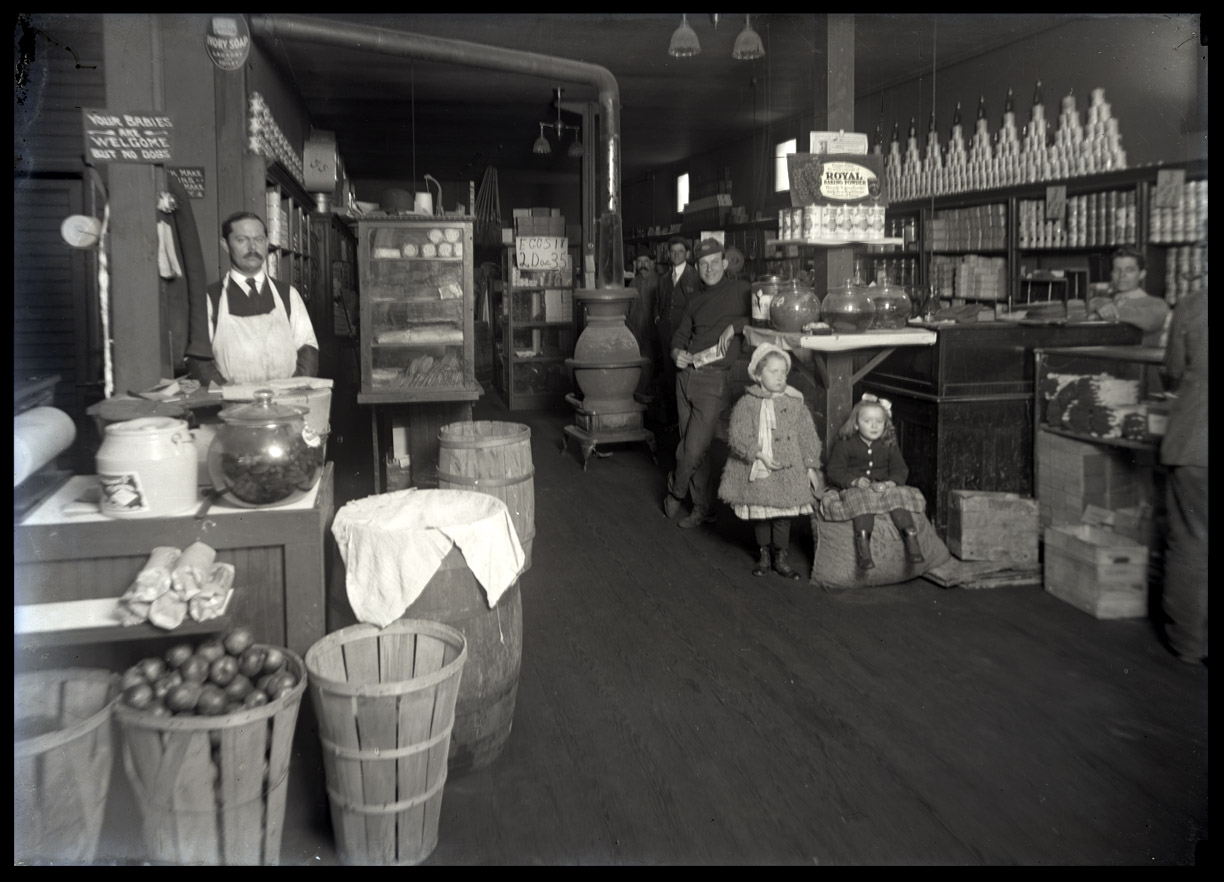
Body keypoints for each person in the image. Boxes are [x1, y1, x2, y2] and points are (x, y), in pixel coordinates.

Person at [663, 238, 751, 528]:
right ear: (695, 267)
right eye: (703, 264)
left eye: (715, 262)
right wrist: (676, 353)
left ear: (725, 263)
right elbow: (678, 336)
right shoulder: (694, 301)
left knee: (691, 448)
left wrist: (735, 326)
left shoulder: (741, 291)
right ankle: (703, 507)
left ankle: (675, 491)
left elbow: (764, 315)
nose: (709, 268)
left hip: (712, 381)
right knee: (691, 445)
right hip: (685, 377)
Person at [718, 343, 823, 579]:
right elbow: (737, 436)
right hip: (759, 466)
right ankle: (763, 554)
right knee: (762, 515)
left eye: (783, 372)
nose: (779, 377)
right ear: (757, 374)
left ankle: (781, 557)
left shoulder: (794, 404)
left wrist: (810, 466)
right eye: (772, 372)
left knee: (783, 515)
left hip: (789, 468)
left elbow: (807, 436)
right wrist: (757, 453)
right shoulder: (747, 404)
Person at [186, 211, 319, 386]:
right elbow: (199, 359)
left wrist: (292, 390)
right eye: (242, 240)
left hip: (286, 403)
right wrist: (229, 393)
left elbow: (308, 347)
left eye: (259, 239)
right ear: (225, 244)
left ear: (266, 243)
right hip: (232, 406)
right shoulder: (211, 298)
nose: (252, 248)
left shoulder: (288, 294)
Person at [823, 394, 927, 570]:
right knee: (861, 500)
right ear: (856, 424)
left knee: (898, 496)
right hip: (856, 489)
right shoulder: (845, 443)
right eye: (868, 421)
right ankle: (864, 549)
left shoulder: (888, 444)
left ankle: (912, 541)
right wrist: (853, 481)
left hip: (882, 487)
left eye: (879, 421)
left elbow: (900, 469)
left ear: (885, 424)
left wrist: (890, 484)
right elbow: (834, 471)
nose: (874, 425)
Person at [1159, 289, 1207, 665]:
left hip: (1194, 441)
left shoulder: (1194, 303)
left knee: (1191, 541)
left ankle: (1189, 644)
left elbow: (1172, 369)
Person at [654, 236, 702, 427]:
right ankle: (672, 419)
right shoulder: (664, 279)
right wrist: (657, 320)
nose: (676, 255)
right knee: (667, 374)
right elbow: (657, 303)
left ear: (688, 254)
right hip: (665, 332)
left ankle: (684, 420)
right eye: (672, 252)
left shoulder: (695, 276)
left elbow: (699, 304)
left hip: (685, 333)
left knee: (683, 374)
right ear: (668, 254)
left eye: (680, 251)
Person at [1086, 247, 1171, 347]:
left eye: (1129, 270)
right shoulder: (1106, 302)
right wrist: (1098, 304)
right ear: (1111, 274)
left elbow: (1150, 321)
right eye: (1117, 270)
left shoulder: (1156, 303)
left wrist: (1109, 310)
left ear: (1142, 274)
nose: (1122, 275)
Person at [625, 249, 659, 399]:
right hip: (634, 330)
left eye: (646, 261)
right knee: (634, 363)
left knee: (647, 365)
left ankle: (641, 396)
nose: (643, 265)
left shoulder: (659, 281)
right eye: (639, 262)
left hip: (651, 332)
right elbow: (628, 307)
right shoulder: (633, 282)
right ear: (635, 264)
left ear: (652, 263)